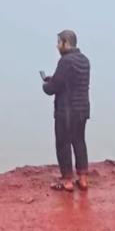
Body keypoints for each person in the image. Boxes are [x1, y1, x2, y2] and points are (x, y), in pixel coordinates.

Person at [42, 30, 91, 191]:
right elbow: (69, 81)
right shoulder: (84, 60)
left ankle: (67, 180)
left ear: (66, 43)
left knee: (63, 144)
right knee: (79, 141)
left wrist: (45, 84)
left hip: (66, 110)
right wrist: (53, 80)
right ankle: (83, 178)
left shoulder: (65, 61)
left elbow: (53, 88)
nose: (57, 46)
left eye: (58, 42)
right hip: (82, 108)